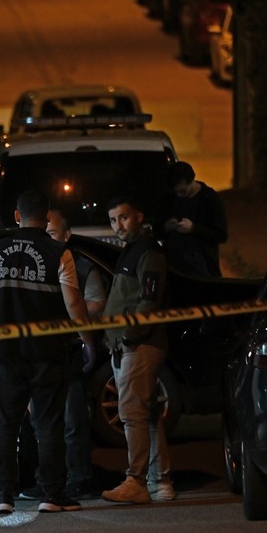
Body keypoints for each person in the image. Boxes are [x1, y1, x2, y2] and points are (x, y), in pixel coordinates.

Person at [0, 190, 98, 514]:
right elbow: (73, 302)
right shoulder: (59, 253)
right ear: (46, 220)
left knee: (6, 425)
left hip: (7, 353)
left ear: (16, 216)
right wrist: (87, 340)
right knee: (48, 425)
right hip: (48, 352)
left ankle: (4, 497)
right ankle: (51, 496)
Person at [18, 209, 107, 501]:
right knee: (40, 423)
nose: (47, 240)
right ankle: (48, 481)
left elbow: (96, 303)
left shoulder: (80, 267)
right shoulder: (29, 265)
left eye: (53, 234)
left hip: (68, 352)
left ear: (67, 236)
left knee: (72, 421)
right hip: (36, 354)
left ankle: (79, 478)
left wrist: (70, 317)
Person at [101, 195, 174, 504]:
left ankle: (137, 482)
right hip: (126, 344)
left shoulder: (149, 253)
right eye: (113, 220)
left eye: (124, 218)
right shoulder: (131, 251)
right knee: (147, 415)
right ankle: (161, 482)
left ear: (139, 216)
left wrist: (130, 336)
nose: (118, 225)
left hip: (140, 345)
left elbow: (148, 300)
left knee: (132, 415)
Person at [161, 161, 228, 277]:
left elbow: (221, 235)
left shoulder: (209, 199)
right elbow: (157, 230)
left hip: (201, 272)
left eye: (182, 191)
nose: (179, 195)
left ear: (192, 180)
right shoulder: (170, 198)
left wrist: (193, 228)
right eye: (176, 192)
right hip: (173, 269)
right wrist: (166, 227)